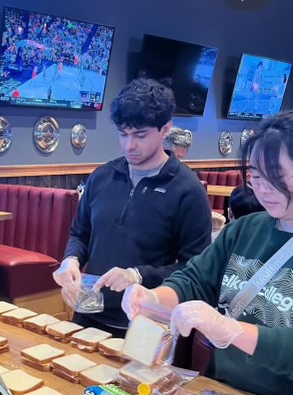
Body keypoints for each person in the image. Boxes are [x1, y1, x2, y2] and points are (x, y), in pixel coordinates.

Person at [122, 110, 293, 395]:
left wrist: (232, 330)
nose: (263, 188)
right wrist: (152, 298)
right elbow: (194, 280)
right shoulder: (244, 230)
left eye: (276, 176)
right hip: (222, 393)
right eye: (255, 176)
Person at [53, 78, 212, 336]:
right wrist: (71, 260)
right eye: (123, 134)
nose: (129, 145)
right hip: (90, 314)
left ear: (165, 129)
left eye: (140, 135)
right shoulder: (102, 176)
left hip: (146, 323)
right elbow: (79, 234)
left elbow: (195, 269)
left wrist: (138, 275)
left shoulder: (188, 190)